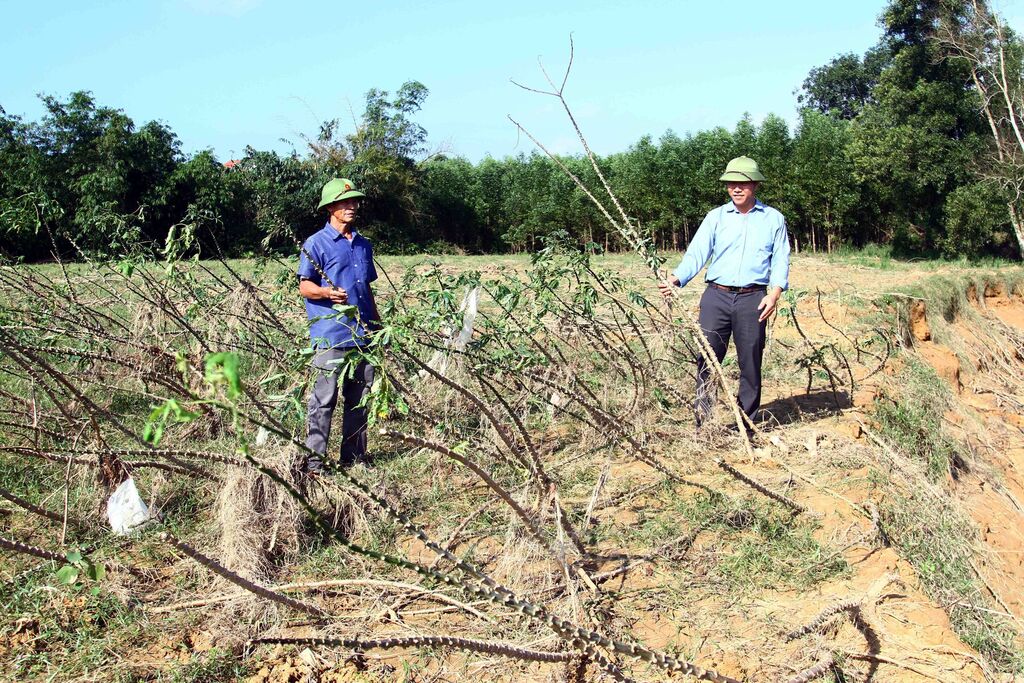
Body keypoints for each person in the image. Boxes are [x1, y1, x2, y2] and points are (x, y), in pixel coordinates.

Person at [658, 156, 790, 432]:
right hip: (716, 297)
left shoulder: (773, 219)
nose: (736, 188)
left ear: (754, 185)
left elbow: (780, 259)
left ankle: (746, 425)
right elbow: (697, 252)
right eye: (731, 183)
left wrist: (775, 293)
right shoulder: (715, 217)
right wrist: (676, 278)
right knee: (707, 357)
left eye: (743, 183)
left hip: (754, 299)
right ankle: (704, 425)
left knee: (750, 361)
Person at [298, 178, 381, 472]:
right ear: (330, 207)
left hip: (362, 334)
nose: (352, 207)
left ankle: (354, 459)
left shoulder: (363, 244)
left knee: (359, 400)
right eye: (345, 202)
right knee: (324, 400)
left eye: (354, 202)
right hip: (331, 335)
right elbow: (305, 286)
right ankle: (314, 463)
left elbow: (367, 289)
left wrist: (377, 327)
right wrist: (325, 293)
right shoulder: (315, 244)